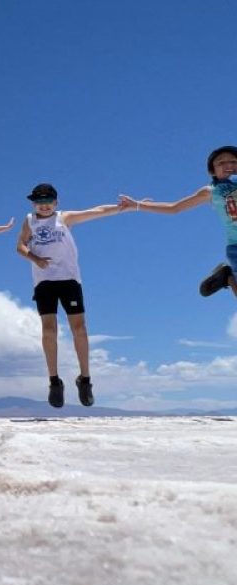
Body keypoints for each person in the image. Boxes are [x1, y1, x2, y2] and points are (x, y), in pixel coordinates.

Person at [16, 183, 130, 409]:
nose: (44, 205)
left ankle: (85, 380)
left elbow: (96, 211)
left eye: (48, 201)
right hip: (44, 282)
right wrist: (35, 259)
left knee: (79, 328)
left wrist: (124, 207)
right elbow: (20, 245)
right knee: (49, 330)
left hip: (69, 280)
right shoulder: (29, 220)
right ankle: (54, 382)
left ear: (56, 203)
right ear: (33, 204)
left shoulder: (64, 218)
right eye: (39, 202)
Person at [120, 146, 237, 301]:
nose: (228, 165)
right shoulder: (211, 191)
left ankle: (227, 277)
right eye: (221, 163)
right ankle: (227, 277)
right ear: (213, 171)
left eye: (233, 161)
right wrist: (137, 205)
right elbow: (174, 208)